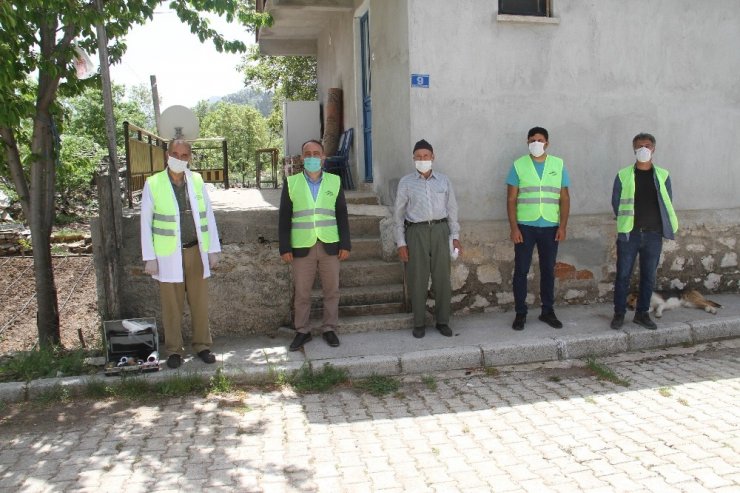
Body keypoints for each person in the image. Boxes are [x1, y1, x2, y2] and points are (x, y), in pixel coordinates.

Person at [140, 139, 221, 369]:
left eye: (184, 155)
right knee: (171, 305)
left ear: (190, 158)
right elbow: (145, 223)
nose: (179, 158)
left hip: (196, 250)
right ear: (167, 155)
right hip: (167, 255)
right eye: (175, 153)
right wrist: (150, 258)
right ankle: (174, 350)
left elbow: (209, 216)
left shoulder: (196, 180)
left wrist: (213, 250)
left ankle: (203, 346)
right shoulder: (153, 183)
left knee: (199, 303)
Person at [279, 140, 351, 351]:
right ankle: (302, 331)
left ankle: (329, 328)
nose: (312, 157)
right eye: (307, 154)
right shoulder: (291, 183)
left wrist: (345, 243)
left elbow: (341, 214)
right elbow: (284, 218)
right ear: (302, 158)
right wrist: (285, 247)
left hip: (330, 244)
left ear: (323, 157)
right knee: (302, 292)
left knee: (332, 290)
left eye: (316, 153)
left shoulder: (334, 181)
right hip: (302, 247)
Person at [394, 139, 462, 339]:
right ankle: (419, 323)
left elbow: (452, 209)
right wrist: (401, 242)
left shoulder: (444, 181)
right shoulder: (406, 182)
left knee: (442, 278)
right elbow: (398, 214)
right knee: (418, 279)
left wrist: (455, 236)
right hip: (416, 232)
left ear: (433, 157)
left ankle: (443, 321)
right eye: (418, 157)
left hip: (441, 231)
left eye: (426, 156)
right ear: (413, 159)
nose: (422, 160)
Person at [611, 133, 678, 330]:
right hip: (629, 234)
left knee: (649, 276)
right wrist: (626, 222)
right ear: (634, 149)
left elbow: (667, 202)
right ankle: (619, 313)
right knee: (623, 275)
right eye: (639, 146)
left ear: (653, 149)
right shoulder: (623, 174)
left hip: (653, 234)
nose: (643, 149)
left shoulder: (663, 175)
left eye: (647, 145)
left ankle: (642, 314)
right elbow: (616, 202)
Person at [507, 127, 570, 331]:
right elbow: (511, 198)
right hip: (525, 227)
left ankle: (547, 311)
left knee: (548, 271)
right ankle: (520, 313)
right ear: (527, 142)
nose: (536, 143)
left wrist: (563, 226)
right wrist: (514, 228)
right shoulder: (519, 165)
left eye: (540, 140)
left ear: (547, 143)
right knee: (521, 271)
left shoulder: (558, 164)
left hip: (550, 226)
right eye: (532, 140)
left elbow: (565, 197)